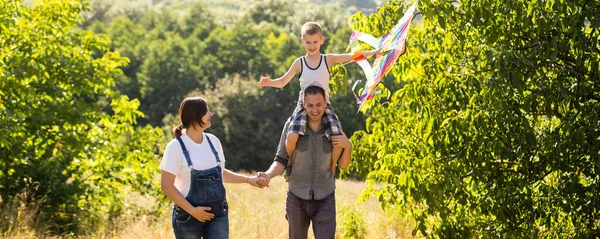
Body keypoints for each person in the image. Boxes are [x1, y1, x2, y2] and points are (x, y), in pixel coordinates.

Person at [258, 21, 376, 177]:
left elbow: (353, 56)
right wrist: (269, 82)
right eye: (308, 42)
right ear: (302, 42)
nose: (312, 45)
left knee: (337, 136)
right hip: (304, 105)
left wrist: (375, 52)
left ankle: (333, 166)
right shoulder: (299, 62)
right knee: (292, 135)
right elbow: (282, 81)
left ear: (322, 40)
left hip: (323, 104)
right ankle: (290, 162)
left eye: (315, 42)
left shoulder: (327, 59)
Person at [257, 85, 353, 239]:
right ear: (303, 104)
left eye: (318, 105)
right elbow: (281, 159)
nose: (314, 110)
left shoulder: (334, 126)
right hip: (297, 197)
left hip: (325, 197)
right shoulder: (292, 126)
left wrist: (348, 146)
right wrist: (268, 175)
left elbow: (343, 165)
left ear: (325, 103)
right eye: (310, 105)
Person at [160, 96, 262, 239]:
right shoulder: (175, 147)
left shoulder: (213, 141)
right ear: (195, 115)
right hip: (188, 215)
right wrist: (193, 211)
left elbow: (220, 174)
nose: (211, 114)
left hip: (218, 213)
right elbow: (166, 185)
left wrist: (248, 180)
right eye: (206, 111)